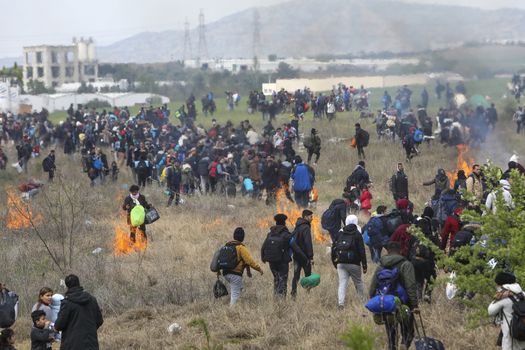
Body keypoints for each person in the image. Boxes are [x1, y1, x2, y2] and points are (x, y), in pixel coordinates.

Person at [369, 242, 418, 350]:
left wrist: (374, 300)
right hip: (403, 303)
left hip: (386, 303)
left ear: (387, 251)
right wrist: (414, 305)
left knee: (391, 333)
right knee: (408, 330)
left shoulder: (381, 266)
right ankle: (404, 344)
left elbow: (372, 287)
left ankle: (393, 347)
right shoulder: (406, 264)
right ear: (400, 251)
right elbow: (411, 286)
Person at [55, 274, 103, 350]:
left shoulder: (67, 303)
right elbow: (99, 321)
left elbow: (59, 325)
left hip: (72, 344)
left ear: (67, 286)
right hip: (91, 344)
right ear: (78, 283)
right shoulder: (92, 299)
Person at [221, 228, 263, 305]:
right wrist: (259, 269)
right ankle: (232, 313)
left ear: (234, 236)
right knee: (235, 295)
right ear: (243, 237)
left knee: (238, 288)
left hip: (225, 273)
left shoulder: (226, 246)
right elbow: (249, 261)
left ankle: (233, 303)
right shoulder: (241, 247)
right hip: (235, 274)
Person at [332, 218, 367, 308]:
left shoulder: (340, 233)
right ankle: (361, 301)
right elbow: (362, 251)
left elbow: (333, 248)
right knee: (358, 282)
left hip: (340, 262)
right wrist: (364, 265)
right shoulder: (357, 234)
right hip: (354, 263)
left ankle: (341, 303)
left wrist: (335, 263)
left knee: (342, 283)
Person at [488, 272, 525, 350]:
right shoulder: (523, 294)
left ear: (501, 285)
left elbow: (490, 311)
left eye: (497, 284)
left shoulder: (504, 298)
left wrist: (497, 298)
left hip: (511, 340)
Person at [261, 214, 292, 297]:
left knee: (276, 279)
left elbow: (264, 246)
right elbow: (293, 246)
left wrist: (263, 258)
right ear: (284, 222)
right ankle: (281, 302)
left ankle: (275, 298)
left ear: (276, 222)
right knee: (283, 280)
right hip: (282, 262)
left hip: (271, 261)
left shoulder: (270, 233)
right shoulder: (286, 234)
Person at [291, 210, 314, 298]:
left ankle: (293, 294)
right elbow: (308, 242)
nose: (312, 218)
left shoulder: (298, 225)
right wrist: (311, 256)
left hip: (297, 255)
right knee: (308, 275)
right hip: (305, 256)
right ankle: (307, 294)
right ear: (305, 217)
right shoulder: (306, 227)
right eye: (310, 217)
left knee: (296, 275)